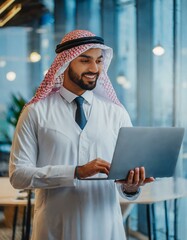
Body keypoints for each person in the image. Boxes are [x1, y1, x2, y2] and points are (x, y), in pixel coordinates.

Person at [9, 30, 154, 240]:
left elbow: (126, 182)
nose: (94, 68)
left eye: (98, 61)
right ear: (66, 62)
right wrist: (75, 172)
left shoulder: (116, 113)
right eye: (85, 60)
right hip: (55, 228)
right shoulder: (35, 112)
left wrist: (131, 187)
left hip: (106, 228)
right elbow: (18, 176)